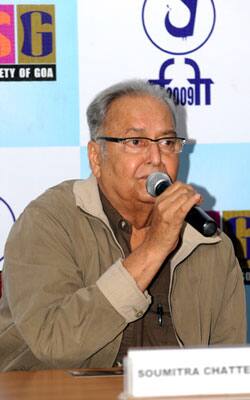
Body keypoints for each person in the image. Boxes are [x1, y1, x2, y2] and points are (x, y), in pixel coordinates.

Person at [0, 79, 246, 371]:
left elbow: (227, 367)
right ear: (96, 157)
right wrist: (155, 246)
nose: (156, 158)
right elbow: (56, 345)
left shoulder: (208, 243)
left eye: (167, 142)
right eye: (136, 142)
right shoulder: (49, 222)